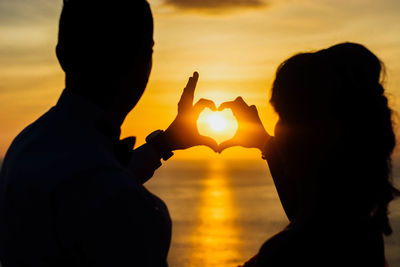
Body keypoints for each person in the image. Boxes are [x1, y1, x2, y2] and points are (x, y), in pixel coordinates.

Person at [0, 0, 217, 266]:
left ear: (61, 55)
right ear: (142, 65)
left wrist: (165, 143)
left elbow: (92, 176)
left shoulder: (24, 147)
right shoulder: (124, 206)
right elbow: (100, 187)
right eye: (147, 49)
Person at [218, 42, 399, 267]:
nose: (278, 129)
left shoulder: (286, 254)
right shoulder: (361, 232)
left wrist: (165, 144)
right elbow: (309, 211)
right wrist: (263, 142)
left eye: (282, 116)